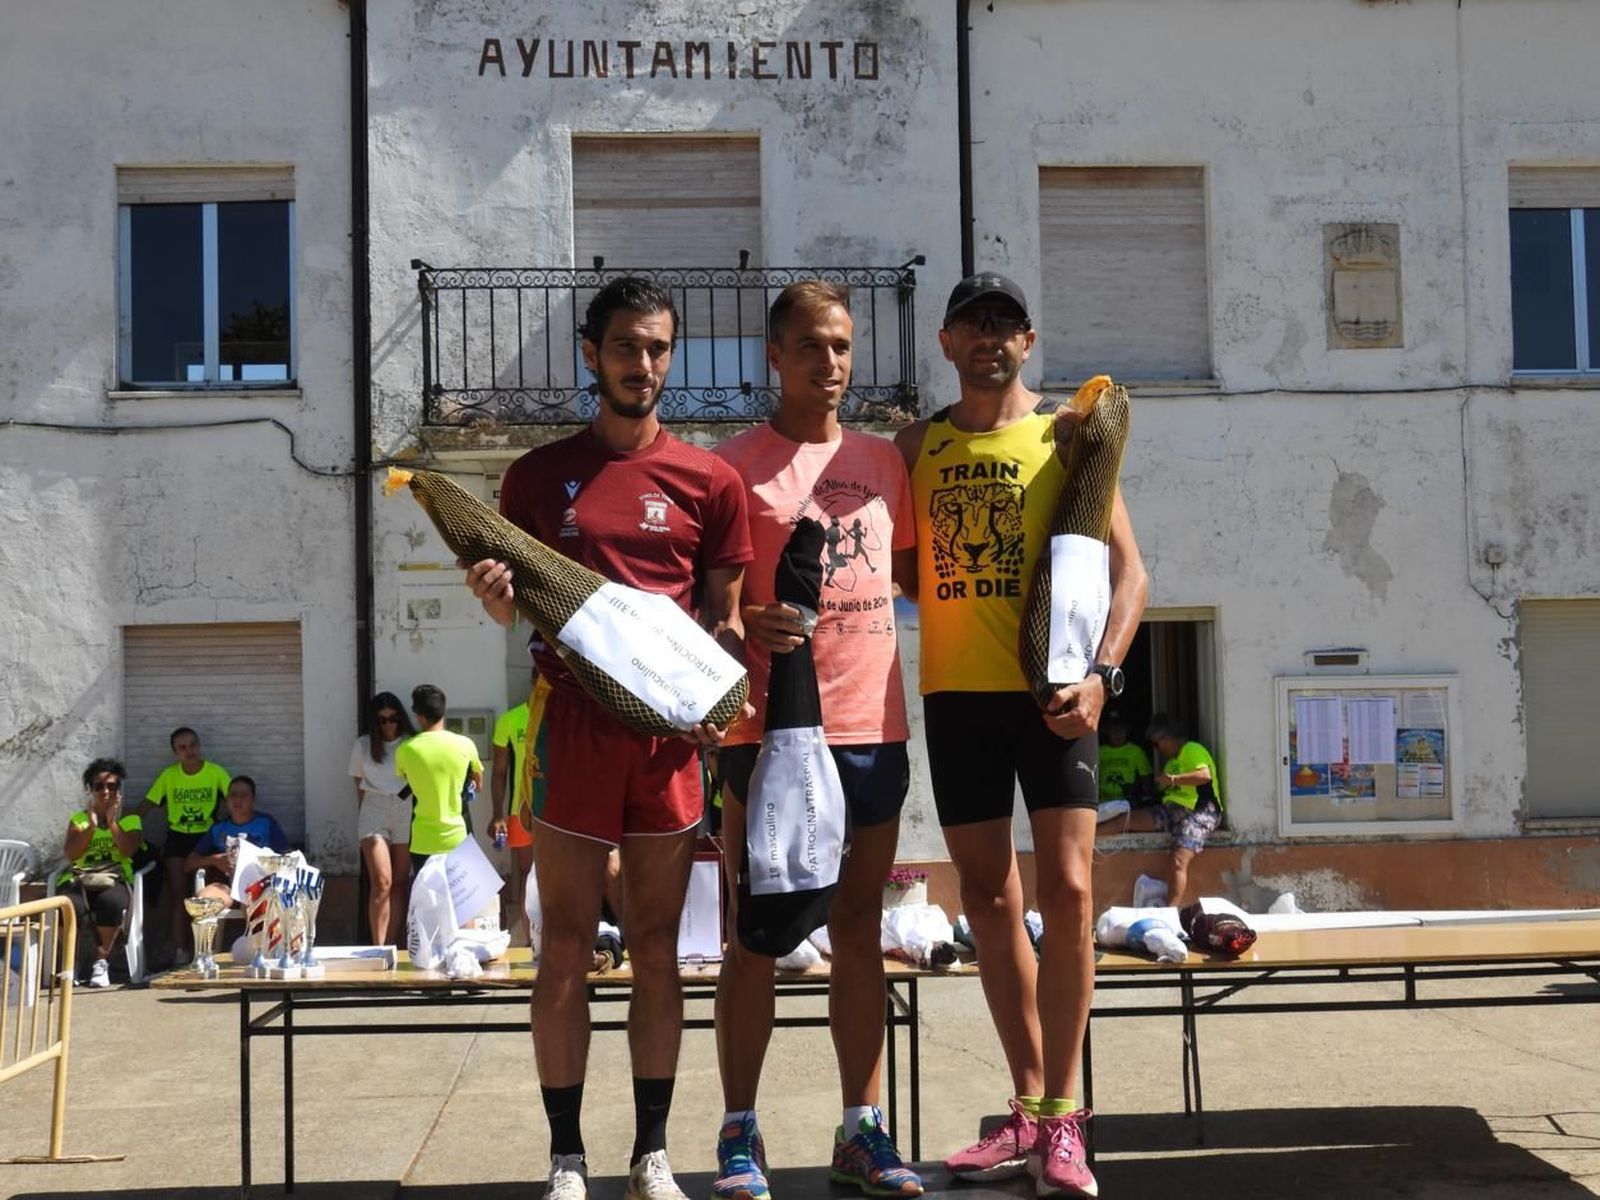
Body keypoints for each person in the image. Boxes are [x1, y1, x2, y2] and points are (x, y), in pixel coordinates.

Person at [465, 276, 751, 1200]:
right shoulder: (537, 476)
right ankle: (566, 1157)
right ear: (592, 354)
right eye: (628, 346)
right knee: (563, 948)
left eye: (660, 348)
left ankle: (653, 1152)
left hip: (665, 746)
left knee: (660, 946)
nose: (645, 365)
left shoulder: (711, 480)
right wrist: (496, 601)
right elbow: (511, 595)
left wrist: (729, 680)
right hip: (571, 733)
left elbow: (726, 624)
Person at [894, 272, 1148, 1198]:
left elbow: (1133, 578)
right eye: (974, 324)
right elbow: (908, 572)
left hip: (1053, 699)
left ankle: (1065, 1117)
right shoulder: (913, 444)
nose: (990, 337)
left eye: (1006, 324)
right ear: (947, 343)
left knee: (1072, 891)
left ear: (1028, 342)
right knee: (991, 903)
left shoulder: (1069, 433)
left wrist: (1101, 675)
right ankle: (1028, 1107)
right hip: (956, 695)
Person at [710, 280, 921, 1199]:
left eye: (840, 347)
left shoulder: (883, 461)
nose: (829, 365)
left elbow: (915, 578)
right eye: (810, 348)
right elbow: (706, 610)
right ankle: (739, 1131)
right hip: (768, 731)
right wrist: (744, 621)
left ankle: (860, 1130)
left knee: (859, 928)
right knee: (754, 939)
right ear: (774, 356)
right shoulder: (731, 468)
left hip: (872, 720)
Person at [136, 727, 230, 965]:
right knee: (179, 896)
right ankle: (180, 951)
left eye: (193, 745)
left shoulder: (215, 772)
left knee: (205, 896)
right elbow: (146, 806)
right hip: (177, 838)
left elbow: (237, 800)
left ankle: (206, 951)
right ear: (175, 753)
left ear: (199, 746)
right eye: (182, 747)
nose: (189, 751)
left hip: (207, 838)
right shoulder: (169, 776)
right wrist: (120, 823)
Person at [1116, 714, 1224, 909]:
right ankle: (1085, 837)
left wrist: (1173, 779)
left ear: (1166, 738)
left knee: (1178, 860)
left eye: (1157, 744)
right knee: (1125, 820)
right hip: (1172, 810)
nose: (1158, 750)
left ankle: (1169, 913)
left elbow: (1204, 775)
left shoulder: (1191, 749)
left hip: (1199, 810)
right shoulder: (1170, 764)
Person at [59, 758, 143, 988]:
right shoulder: (79, 819)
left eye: (112, 786)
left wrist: (112, 822)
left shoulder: (131, 819)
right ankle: (70, 963)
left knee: (112, 903)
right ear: (91, 790)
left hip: (115, 878)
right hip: (80, 878)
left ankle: (100, 962)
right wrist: (93, 827)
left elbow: (128, 849)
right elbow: (71, 853)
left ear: (119, 789)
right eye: (99, 786)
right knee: (66, 905)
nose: (106, 791)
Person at [394, 684, 483, 879]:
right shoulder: (465, 744)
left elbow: (406, 777)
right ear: (443, 710)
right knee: (460, 903)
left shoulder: (406, 750)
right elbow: (479, 783)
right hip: (458, 837)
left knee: (429, 903)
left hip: (422, 839)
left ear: (419, 715)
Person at [350, 691, 417, 944]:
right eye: (382, 720)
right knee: (381, 881)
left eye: (394, 718)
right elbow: (358, 784)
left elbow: (419, 780)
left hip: (404, 806)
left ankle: (393, 946)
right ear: (374, 722)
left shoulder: (411, 743)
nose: (389, 724)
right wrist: (365, 813)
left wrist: (404, 796)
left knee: (400, 882)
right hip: (373, 808)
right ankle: (377, 948)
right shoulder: (363, 745)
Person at [488, 677, 547, 940]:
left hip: (555, 811)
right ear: (533, 681)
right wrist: (497, 814)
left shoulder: (560, 716)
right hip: (520, 809)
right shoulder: (510, 720)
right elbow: (499, 772)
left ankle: (552, 937)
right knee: (527, 875)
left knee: (556, 875)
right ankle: (529, 938)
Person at [183, 775, 291, 905]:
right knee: (203, 902)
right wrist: (214, 860)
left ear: (253, 799)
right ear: (227, 799)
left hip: (260, 883)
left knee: (255, 900)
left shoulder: (266, 823)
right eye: (233, 795)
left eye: (244, 795)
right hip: (226, 885)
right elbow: (188, 864)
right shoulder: (218, 828)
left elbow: (288, 856)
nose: (238, 800)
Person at [1094, 707, 1154, 825]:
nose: (1117, 733)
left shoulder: (1136, 751)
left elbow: (1146, 778)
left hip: (1127, 803)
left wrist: (1144, 798)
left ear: (1127, 730)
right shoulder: (1099, 752)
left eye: (1121, 729)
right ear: (1106, 731)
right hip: (1103, 804)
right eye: (1113, 729)